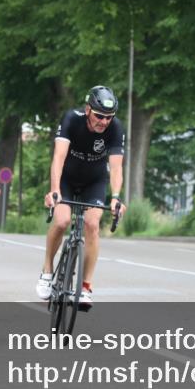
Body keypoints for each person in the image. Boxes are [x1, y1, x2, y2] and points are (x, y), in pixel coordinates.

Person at [38, 86, 127, 309]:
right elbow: (58, 157)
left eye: (108, 117)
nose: (104, 121)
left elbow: (116, 168)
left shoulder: (115, 128)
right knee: (61, 221)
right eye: (99, 115)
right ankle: (47, 271)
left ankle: (86, 287)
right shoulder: (72, 119)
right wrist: (54, 189)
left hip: (94, 182)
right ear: (88, 109)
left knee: (92, 224)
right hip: (66, 179)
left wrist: (116, 197)